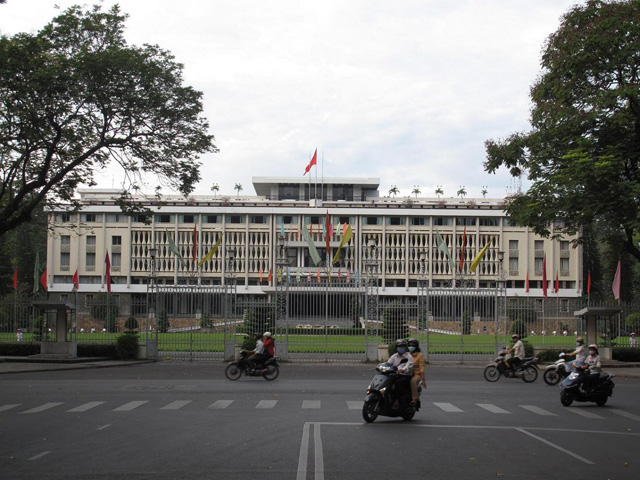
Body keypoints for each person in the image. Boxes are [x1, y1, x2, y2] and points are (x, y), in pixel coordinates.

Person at [387, 339, 414, 407]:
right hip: (395, 375)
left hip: (405, 376)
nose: (401, 348)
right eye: (399, 346)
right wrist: (380, 366)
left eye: (402, 346)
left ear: (405, 347)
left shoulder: (409, 357)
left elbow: (409, 366)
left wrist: (403, 370)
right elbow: (388, 363)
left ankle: (397, 400)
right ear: (396, 347)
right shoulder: (394, 356)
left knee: (398, 383)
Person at [407, 338, 425, 407]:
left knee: (413, 381)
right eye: (410, 345)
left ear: (416, 346)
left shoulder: (419, 355)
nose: (411, 347)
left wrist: (423, 379)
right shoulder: (406, 354)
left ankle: (414, 399)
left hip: (416, 373)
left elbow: (421, 367)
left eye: (413, 345)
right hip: (406, 372)